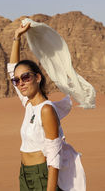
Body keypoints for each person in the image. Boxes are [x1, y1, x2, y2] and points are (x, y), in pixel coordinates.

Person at [8, 22, 86, 191]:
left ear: (37, 77)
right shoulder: (28, 104)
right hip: (25, 174)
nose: (20, 83)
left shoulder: (46, 109)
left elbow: (53, 157)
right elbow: (12, 69)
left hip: (41, 176)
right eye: (17, 80)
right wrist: (17, 37)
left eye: (25, 77)